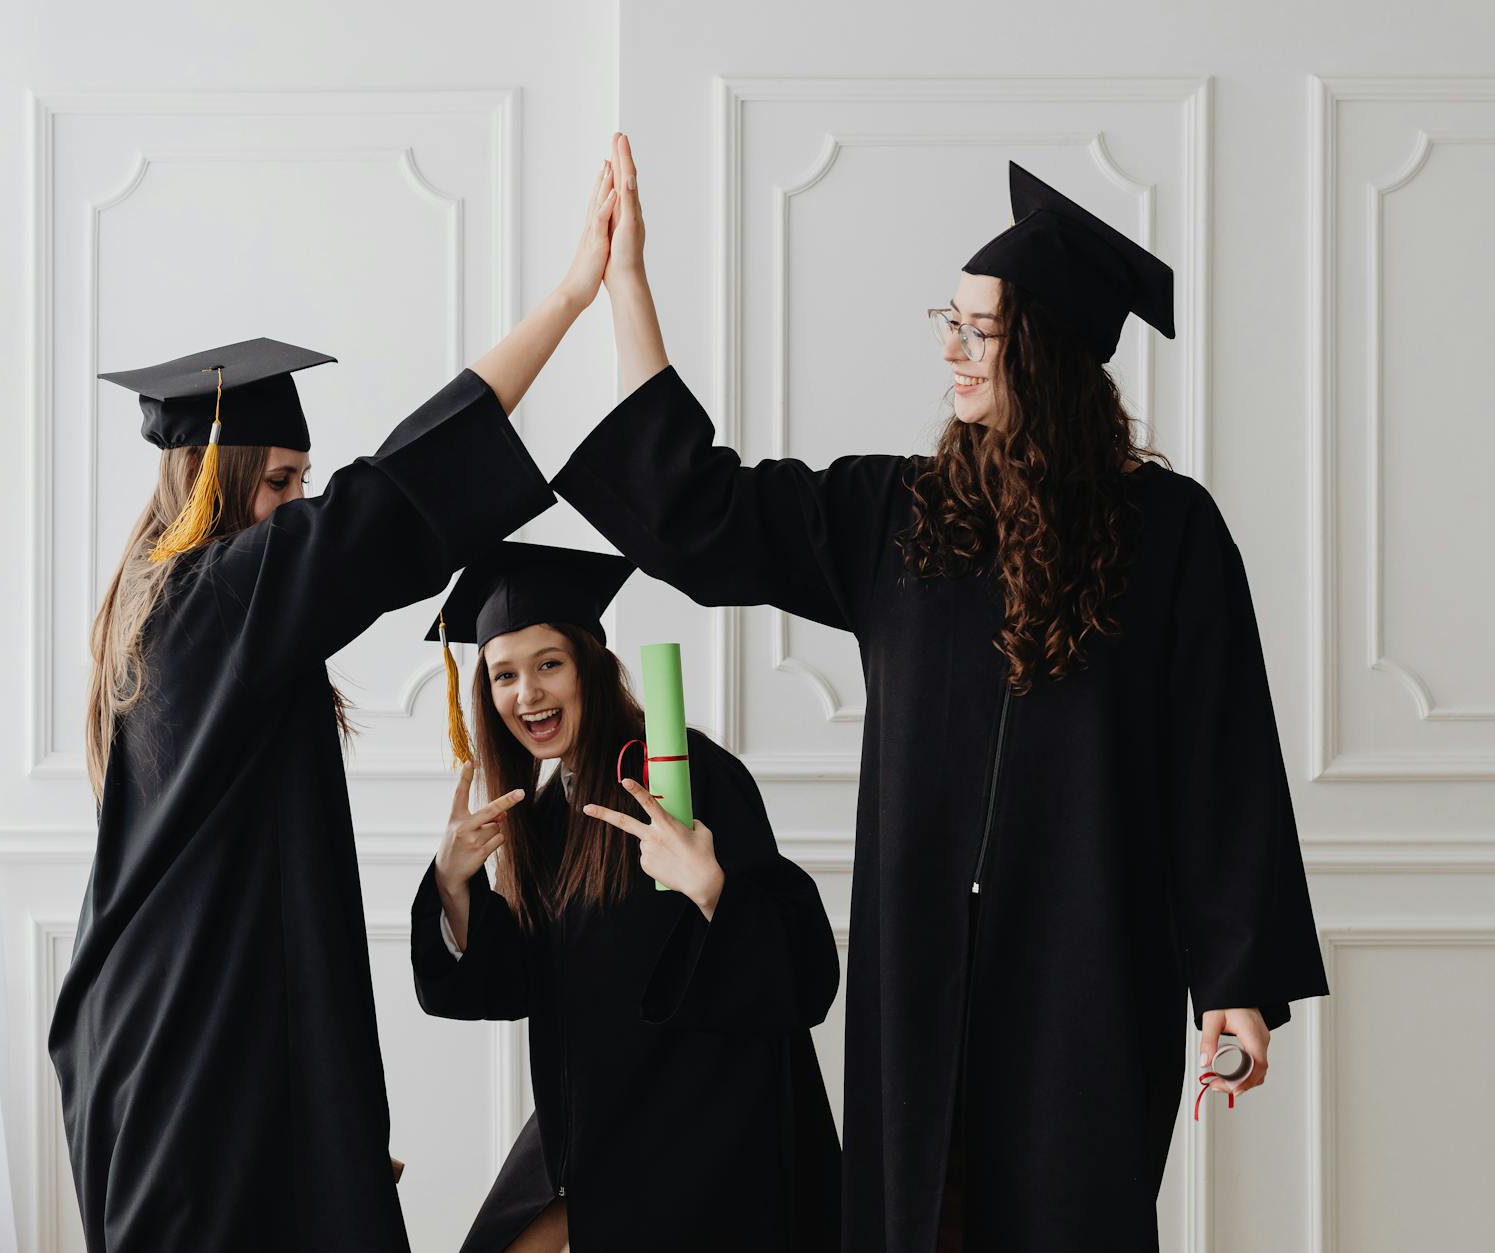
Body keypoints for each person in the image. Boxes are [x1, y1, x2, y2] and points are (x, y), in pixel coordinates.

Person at [548, 134, 1331, 1251]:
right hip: (914, 973)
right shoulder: (901, 518)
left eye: (980, 329)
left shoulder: (1170, 536)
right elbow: (701, 511)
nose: (953, 350)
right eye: (947, 322)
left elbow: (1222, 766)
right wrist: (626, 284)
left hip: (1086, 976)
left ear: (1049, 352)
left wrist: (1235, 985)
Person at [47, 164, 624, 1252]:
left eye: (300, 485)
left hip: (169, 1043)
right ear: (216, 484)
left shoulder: (151, 603)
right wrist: (566, 300)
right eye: (279, 484)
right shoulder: (217, 597)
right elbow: (399, 492)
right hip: (196, 1076)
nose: (296, 509)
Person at [409, 540, 841, 1252]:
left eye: (549, 664)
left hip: (705, 1139)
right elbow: (512, 983)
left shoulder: (691, 772)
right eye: (504, 675)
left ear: (591, 667)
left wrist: (713, 890)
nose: (527, 694)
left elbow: (803, 979)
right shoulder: (542, 819)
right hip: (590, 1129)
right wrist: (456, 883)